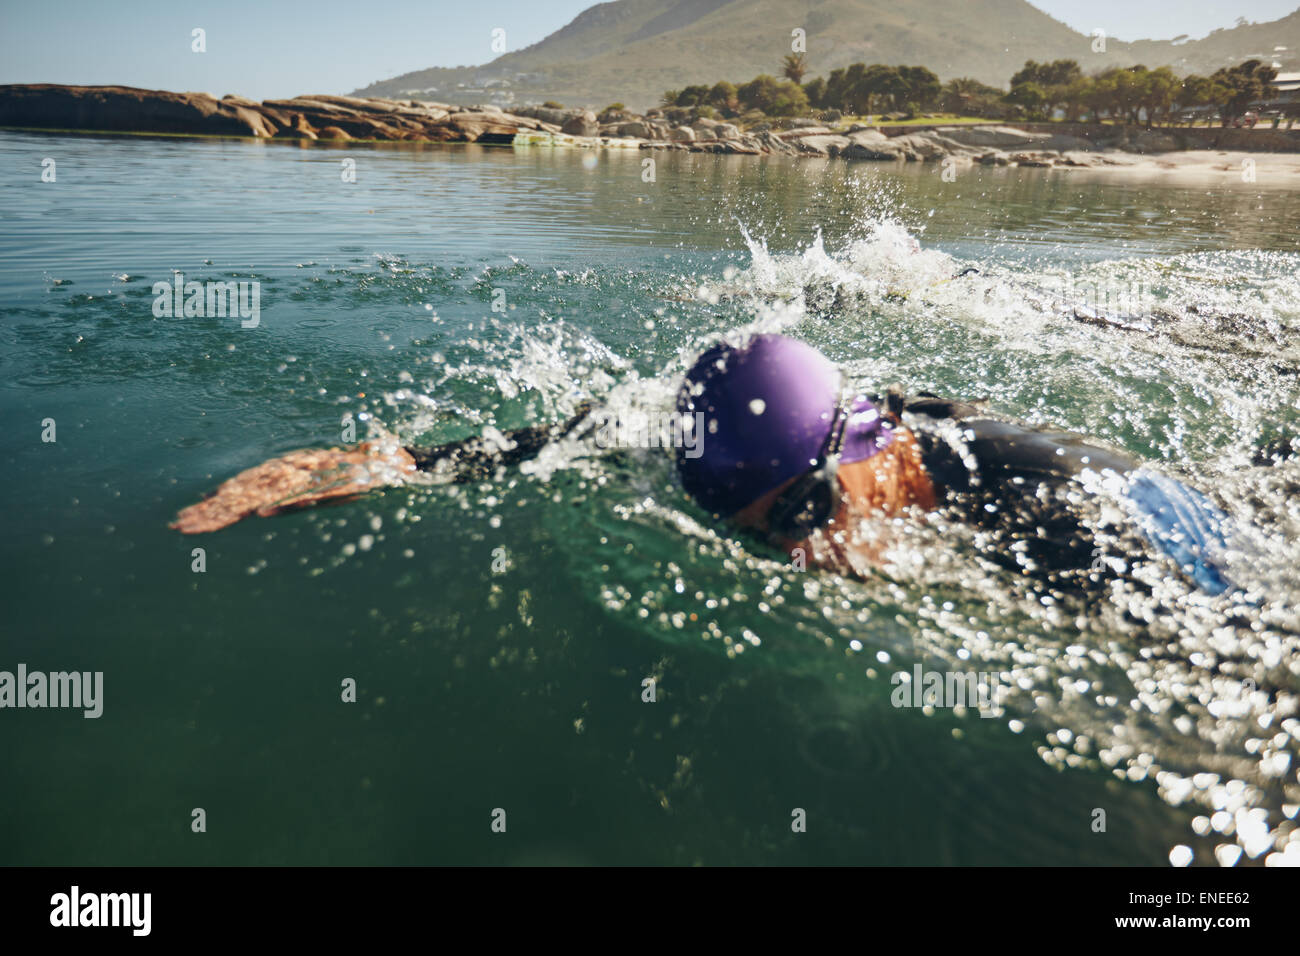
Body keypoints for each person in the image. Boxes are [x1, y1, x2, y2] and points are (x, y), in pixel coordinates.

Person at [172, 334, 1248, 596]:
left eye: (812, 507)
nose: (805, 549)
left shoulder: (1068, 520)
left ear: (864, 445)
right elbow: (580, 430)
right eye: (767, 530)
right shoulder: (734, 453)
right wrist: (392, 462)